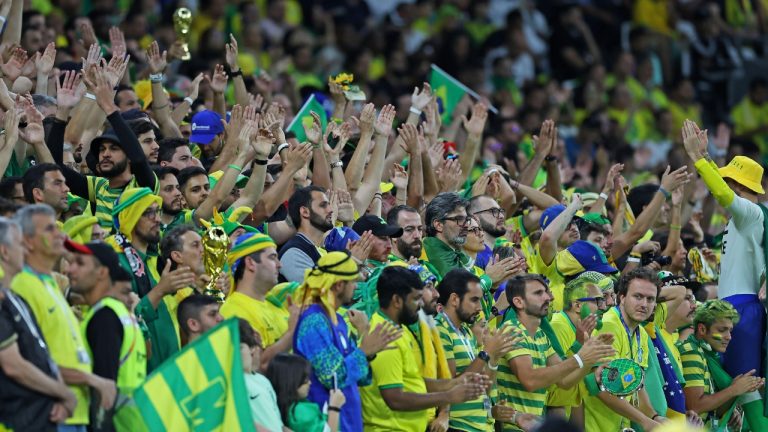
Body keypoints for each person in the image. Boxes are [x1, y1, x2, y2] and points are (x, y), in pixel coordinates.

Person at [11, 205, 115, 432]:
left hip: (73, 411)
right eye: (49, 229)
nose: (60, 234)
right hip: (49, 411)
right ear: (28, 241)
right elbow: (24, 359)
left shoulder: (50, 283)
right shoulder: (21, 286)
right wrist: (90, 381)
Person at [682, 119, 766, 378]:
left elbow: (721, 193)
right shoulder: (743, 219)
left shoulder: (750, 213)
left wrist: (698, 159)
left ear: (738, 186)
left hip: (742, 308)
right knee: (731, 387)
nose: (721, 184)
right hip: (732, 305)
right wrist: (707, 156)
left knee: (745, 388)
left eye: (727, 179)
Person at [360, 266, 489, 431]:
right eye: (416, 299)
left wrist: (454, 382)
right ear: (397, 301)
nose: (421, 304)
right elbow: (394, 398)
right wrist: (448, 395)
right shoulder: (384, 337)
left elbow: (414, 383)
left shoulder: (401, 329)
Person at [292, 251, 401, 432]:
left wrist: (368, 346)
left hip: (350, 422)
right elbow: (333, 377)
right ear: (339, 285)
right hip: (327, 423)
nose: (356, 287)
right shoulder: (313, 322)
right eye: (353, 282)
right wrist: (364, 351)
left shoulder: (338, 320)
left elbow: (361, 378)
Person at [49, 67, 158, 231]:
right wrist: (62, 112)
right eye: (102, 149)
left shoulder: (143, 185)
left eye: (114, 149)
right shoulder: (99, 187)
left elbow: (139, 160)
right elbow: (55, 166)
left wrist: (109, 108)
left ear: (128, 155)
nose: (105, 154)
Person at [499, 274, 613, 431]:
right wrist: (580, 358)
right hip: (511, 428)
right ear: (519, 302)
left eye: (546, 292)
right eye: (538, 293)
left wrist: (588, 360)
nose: (549, 297)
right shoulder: (512, 330)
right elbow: (530, 380)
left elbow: (564, 381)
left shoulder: (540, 335)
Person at [0, 217, 77, 431]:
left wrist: (59, 396)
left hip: (43, 416)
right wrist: (64, 393)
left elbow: (40, 353)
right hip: (18, 421)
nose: (26, 248)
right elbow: (13, 365)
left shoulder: (13, 297)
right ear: (4, 252)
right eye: (19, 243)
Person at [107, 188, 196, 372]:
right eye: (148, 213)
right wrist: (161, 290)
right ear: (129, 217)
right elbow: (126, 319)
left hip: (169, 369)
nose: (157, 218)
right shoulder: (118, 262)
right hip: (145, 375)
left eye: (157, 211)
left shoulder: (150, 261)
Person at [65, 239, 146, 432]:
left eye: (80, 263)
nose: (70, 270)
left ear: (102, 272)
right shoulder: (119, 312)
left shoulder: (104, 318)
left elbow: (105, 389)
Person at [436, 268, 524, 431]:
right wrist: (486, 353)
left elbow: (481, 386)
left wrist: (494, 358)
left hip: (482, 426)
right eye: (474, 300)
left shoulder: (465, 331)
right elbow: (448, 385)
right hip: (459, 426)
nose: (479, 308)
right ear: (455, 299)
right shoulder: (440, 329)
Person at [583, 268, 664, 431]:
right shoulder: (608, 325)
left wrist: (655, 417)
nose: (644, 304)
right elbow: (600, 387)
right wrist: (644, 421)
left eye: (650, 299)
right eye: (638, 296)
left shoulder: (641, 333)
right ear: (622, 297)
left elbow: (636, 384)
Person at [678, 300, 763, 429]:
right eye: (722, 330)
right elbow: (695, 406)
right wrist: (733, 390)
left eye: (730, 331)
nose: (728, 337)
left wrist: (735, 393)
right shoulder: (692, 351)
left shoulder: (710, 355)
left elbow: (713, 411)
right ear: (702, 329)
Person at [222, 232, 296, 370]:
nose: (279, 265)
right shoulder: (234, 313)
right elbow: (255, 368)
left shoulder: (275, 306)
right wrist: (292, 332)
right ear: (250, 263)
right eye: (272, 257)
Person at [266, 353, 346, 432]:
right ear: (291, 381)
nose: (309, 383)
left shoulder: (280, 407)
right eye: (305, 379)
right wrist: (334, 408)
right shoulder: (299, 411)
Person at [279, 186, 334, 282]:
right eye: (323, 205)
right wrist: (352, 263)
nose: (331, 209)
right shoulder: (293, 253)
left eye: (329, 204)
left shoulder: (324, 250)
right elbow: (317, 291)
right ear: (304, 212)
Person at [239, 318, 285, 432]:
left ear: (252, 349)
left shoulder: (263, 380)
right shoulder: (231, 385)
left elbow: (279, 425)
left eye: (239, 348)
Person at [423, 192, 471, 278]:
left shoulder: (449, 251)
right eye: (459, 219)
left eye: (466, 219)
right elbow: (460, 290)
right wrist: (487, 280)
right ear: (438, 225)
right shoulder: (435, 254)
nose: (466, 225)